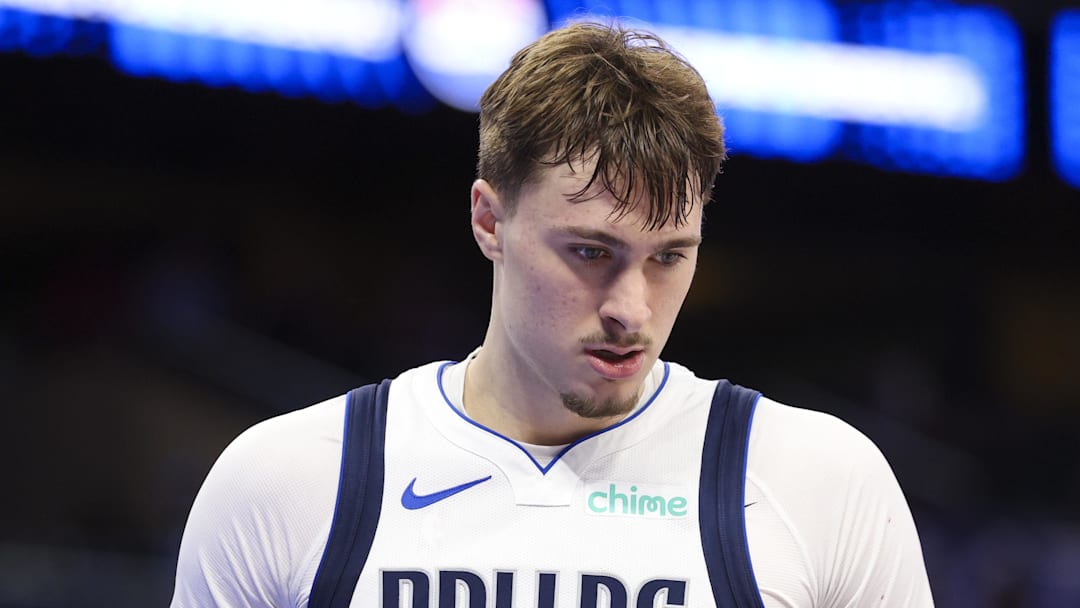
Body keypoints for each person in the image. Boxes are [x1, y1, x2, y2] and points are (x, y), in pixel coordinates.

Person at [171, 22, 934, 607]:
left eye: (669, 256)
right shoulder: (289, 481)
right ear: (489, 221)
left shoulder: (816, 482)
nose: (631, 310)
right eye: (591, 253)